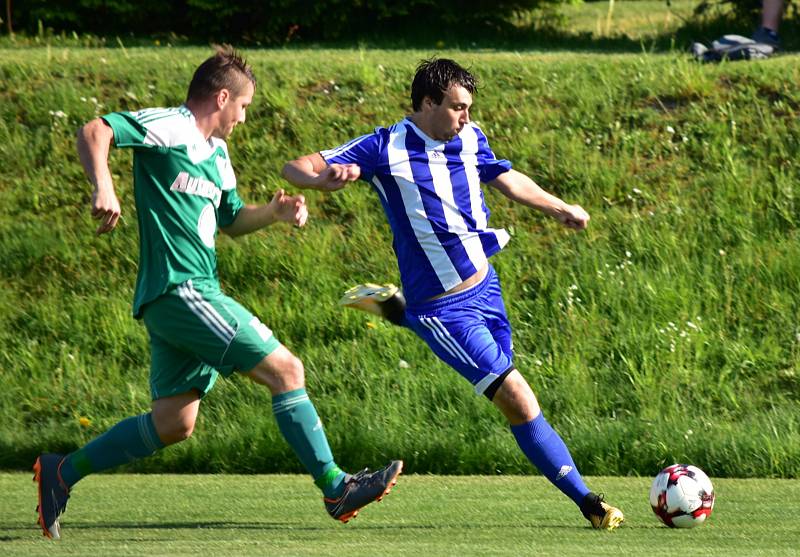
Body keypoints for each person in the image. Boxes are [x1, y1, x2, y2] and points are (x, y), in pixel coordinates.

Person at [33, 46, 402, 540]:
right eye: (244, 107)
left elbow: (230, 220)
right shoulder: (171, 126)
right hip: (179, 288)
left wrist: (271, 214)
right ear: (223, 97)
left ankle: (62, 472)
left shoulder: (218, 155)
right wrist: (104, 185)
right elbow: (95, 130)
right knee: (287, 370)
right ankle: (336, 486)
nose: (244, 118)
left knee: (174, 424)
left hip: (183, 296)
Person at [281, 58, 624, 530]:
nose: (466, 117)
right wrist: (323, 179)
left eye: (469, 108)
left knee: (513, 391)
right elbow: (296, 166)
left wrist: (558, 207)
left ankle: (395, 309)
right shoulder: (383, 147)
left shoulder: (470, 138)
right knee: (518, 398)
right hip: (445, 309)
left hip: (487, 287)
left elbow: (504, 176)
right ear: (427, 103)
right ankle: (591, 503)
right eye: (458, 107)